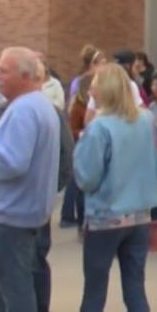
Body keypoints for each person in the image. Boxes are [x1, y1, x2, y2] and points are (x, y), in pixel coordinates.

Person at [0, 47, 62, 312]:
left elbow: (11, 162)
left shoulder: (24, 110)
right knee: (18, 284)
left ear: (26, 75)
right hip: (25, 212)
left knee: (12, 290)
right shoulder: (38, 105)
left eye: (4, 71)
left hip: (11, 217)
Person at [74, 63, 157, 312]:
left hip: (105, 217)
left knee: (94, 292)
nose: (90, 92)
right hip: (140, 215)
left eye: (93, 86)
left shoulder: (99, 128)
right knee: (135, 289)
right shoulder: (147, 120)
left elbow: (87, 178)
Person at [62, 74, 92, 231]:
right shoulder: (78, 106)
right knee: (78, 185)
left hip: (92, 147)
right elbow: (71, 130)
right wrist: (86, 133)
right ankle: (79, 221)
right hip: (81, 147)